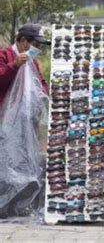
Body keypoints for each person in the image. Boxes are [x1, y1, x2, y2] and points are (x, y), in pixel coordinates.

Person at [0, 23, 50, 218]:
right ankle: (3, 205)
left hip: (27, 123)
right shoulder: (5, 55)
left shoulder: (33, 62)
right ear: (22, 41)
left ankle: (19, 204)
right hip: (5, 122)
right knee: (5, 163)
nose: (38, 48)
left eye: (40, 45)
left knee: (24, 163)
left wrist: (45, 98)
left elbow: (41, 83)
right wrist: (14, 65)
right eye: (35, 44)